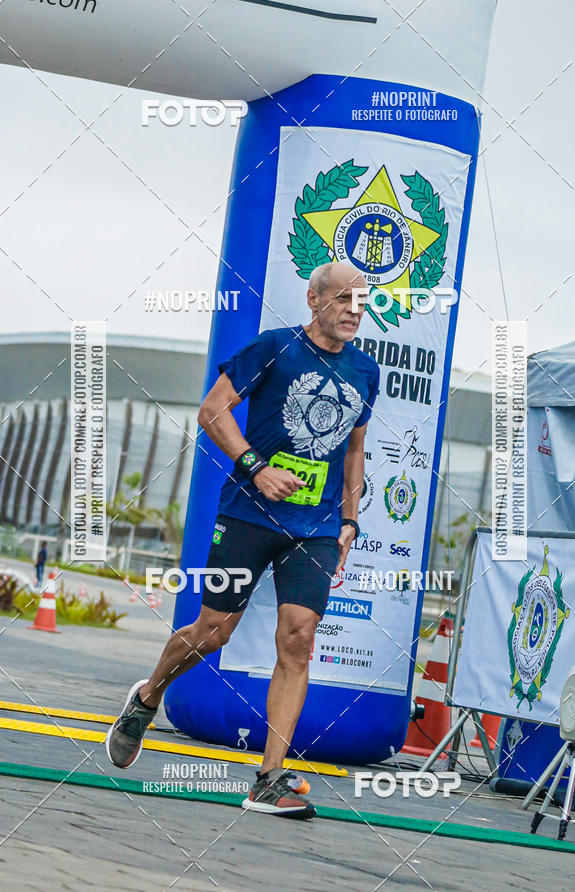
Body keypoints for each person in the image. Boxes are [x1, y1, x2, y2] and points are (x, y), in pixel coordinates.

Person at [106, 261, 380, 818]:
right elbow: (212, 411)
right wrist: (255, 466)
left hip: (317, 527)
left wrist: (349, 520)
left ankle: (268, 779)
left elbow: (354, 450)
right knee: (214, 632)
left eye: (363, 300)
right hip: (249, 514)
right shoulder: (273, 348)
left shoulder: (364, 371)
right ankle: (147, 697)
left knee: (299, 639)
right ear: (314, 299)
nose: (355, 310)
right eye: (345, 298)